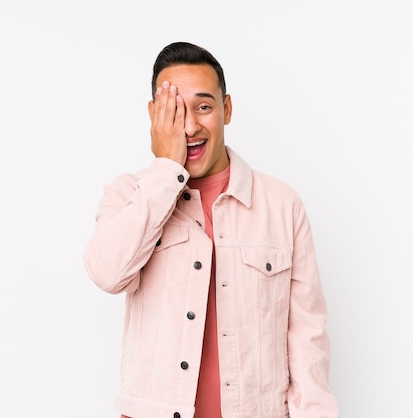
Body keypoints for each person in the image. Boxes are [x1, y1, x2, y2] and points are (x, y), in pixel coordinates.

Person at [83, 41, 339, 418]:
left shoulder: (281, 206)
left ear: (227, 109)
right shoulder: (129, 195)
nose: (189, 126)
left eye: (203, 107)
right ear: (154, 115)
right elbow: (106, 273)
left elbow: (307, 340)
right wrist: (166, 170)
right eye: (174, 110)